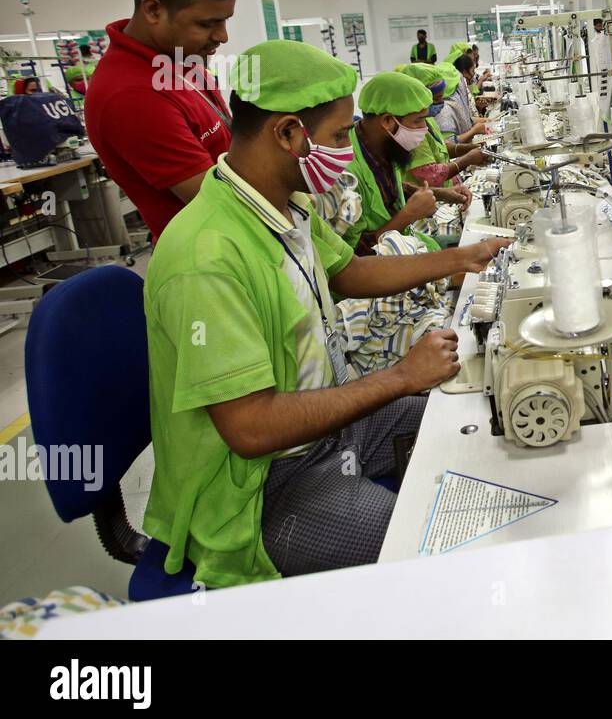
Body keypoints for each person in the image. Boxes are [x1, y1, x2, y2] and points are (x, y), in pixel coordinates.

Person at [141, 40, 510, 587]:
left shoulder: (280, 202)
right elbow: (250, 428)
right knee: (441, 547)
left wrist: (462, 256)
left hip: (328, 431)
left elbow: (349, 273)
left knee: (473, 410)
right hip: (264, 484)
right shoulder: (207, 256)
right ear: (288, 133)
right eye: (339, 136)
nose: (346, 149)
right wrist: (400, 377)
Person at [85, 0, 236, 240]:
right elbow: (220, 203)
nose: (222, 36)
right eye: (208, 23)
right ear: (153, 9)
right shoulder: (130, 95)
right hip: (212, 260)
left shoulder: (180, 59)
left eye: (225, 20)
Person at [343, 71, 463, 253]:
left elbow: (393, 189)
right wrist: (409, 215)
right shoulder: (347, 175)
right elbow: (356, 254)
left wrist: (442, 193)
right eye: (418, 121)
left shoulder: (382, 147)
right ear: (387, 121)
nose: (424, 129)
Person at [394, 62, 485, 192]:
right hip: (428, 200)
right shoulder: (411, 130)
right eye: (436, 99)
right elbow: (430, 176)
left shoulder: (428, 118)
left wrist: (471, 148)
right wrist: (467, 159)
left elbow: (441, 147)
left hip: (444, 192)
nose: (441, 103)